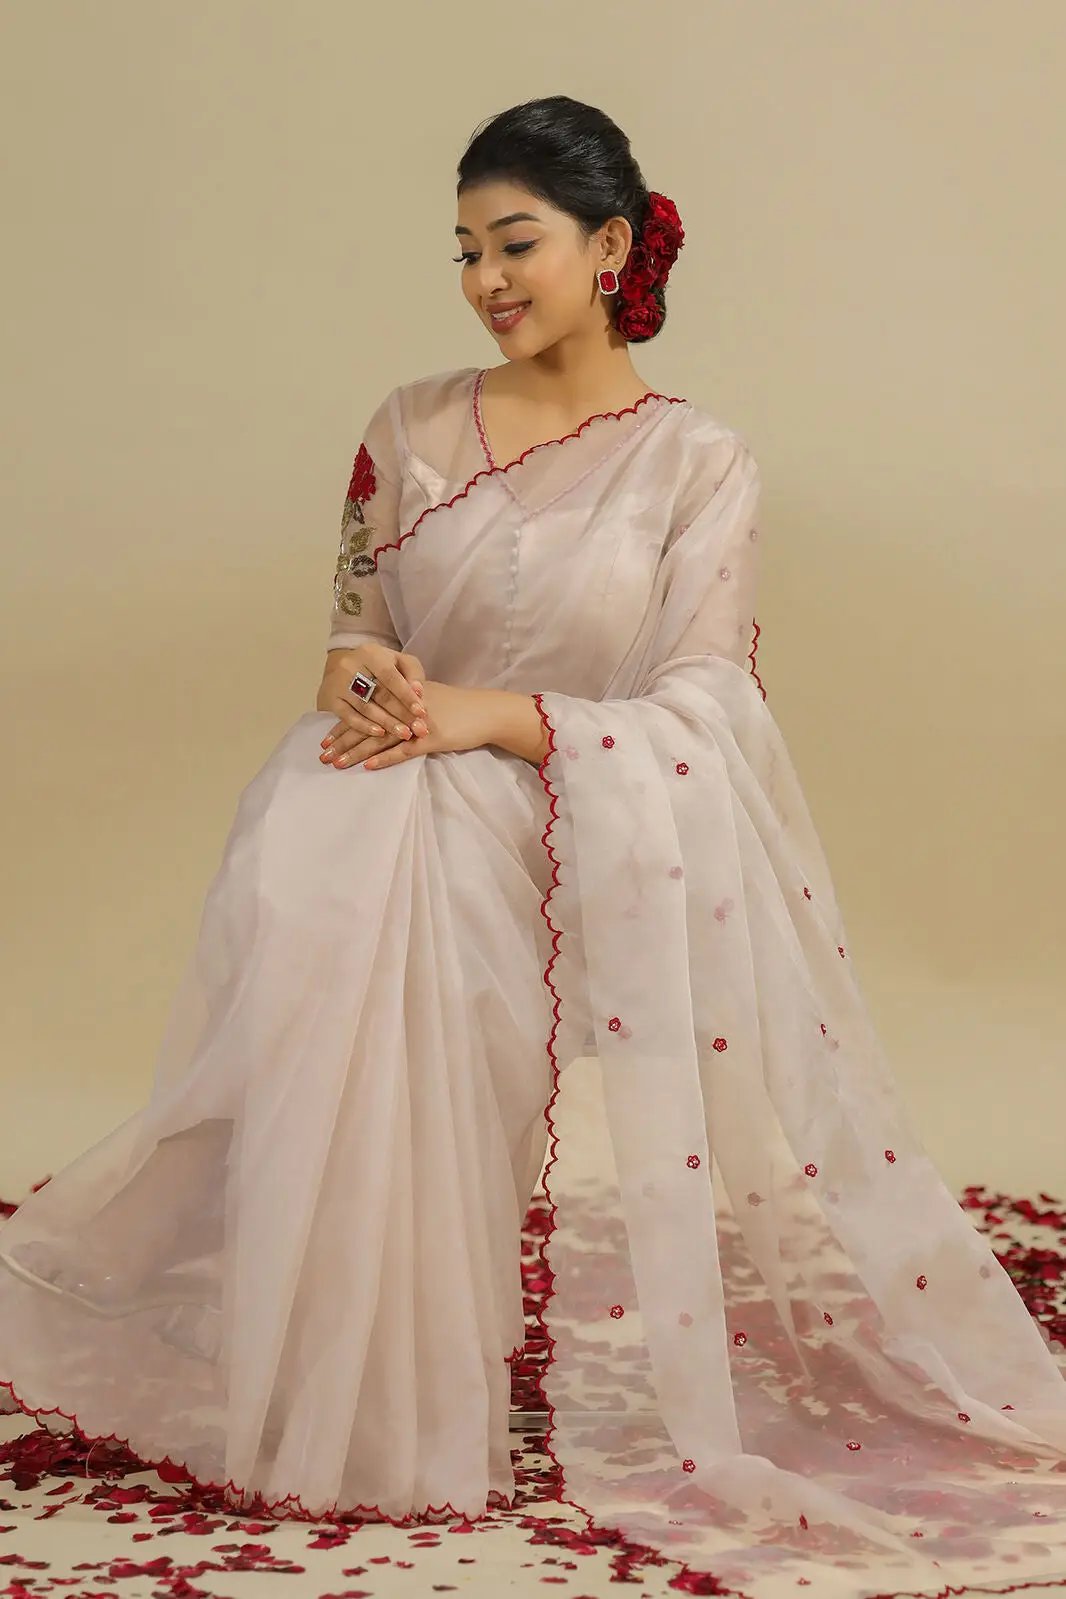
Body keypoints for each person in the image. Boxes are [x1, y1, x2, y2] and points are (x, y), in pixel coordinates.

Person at [3, 92, 1066, 1594]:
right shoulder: (408, 423)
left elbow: (702, 696)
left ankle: (401, 1408)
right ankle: (343, 1403)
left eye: (515, 243)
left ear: (609, 245)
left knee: (410, 844)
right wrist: (362, 681)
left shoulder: (696, 464)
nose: (486, 279)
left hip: (563, 807)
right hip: (377, 782)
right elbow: (354, 625)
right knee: (344, 823)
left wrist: (486, 721)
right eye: (462, 252)